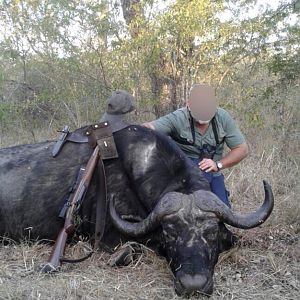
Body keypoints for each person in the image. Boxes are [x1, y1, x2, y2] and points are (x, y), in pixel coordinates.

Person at [143, 84, 248, 207]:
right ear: (189, 105)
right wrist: (134, 130)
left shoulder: (223, 118)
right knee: (166, 209)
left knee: (223, 211)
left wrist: (218, 165)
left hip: (212, 172)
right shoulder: (178, 118)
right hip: (181, 174)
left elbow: (242, 149)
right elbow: (149, 128)